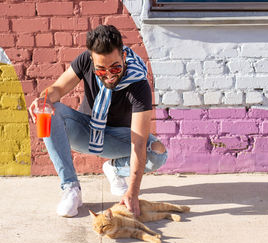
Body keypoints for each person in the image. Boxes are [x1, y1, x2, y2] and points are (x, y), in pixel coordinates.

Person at [29, 25, 167, 218]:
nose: (109, 75)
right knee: (51, 110)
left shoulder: (138, 84)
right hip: (85, 131)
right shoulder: (85, 60)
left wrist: (133, 193)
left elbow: (138, 143)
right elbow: (58, 89)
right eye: (101, 70)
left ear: (124, 57)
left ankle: (114, 168)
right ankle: (71, 189)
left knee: (158, 153)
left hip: (118, 139)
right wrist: (43, 100)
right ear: (92, 61)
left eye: (115, 67)